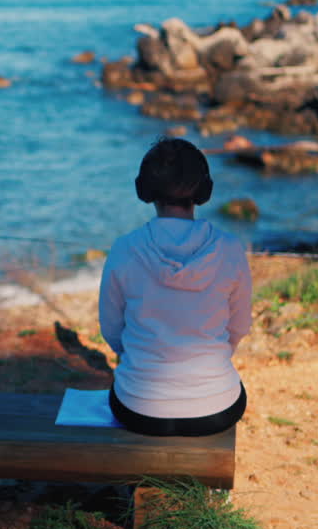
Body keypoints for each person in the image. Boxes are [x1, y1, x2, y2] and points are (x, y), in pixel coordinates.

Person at [98, 137, 252, 436]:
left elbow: (112, 331)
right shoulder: (230, 249)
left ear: (144, 190)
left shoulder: (124, 249)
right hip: (216, 408)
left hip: (138, 409)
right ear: (203, 190)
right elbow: (239, 327)